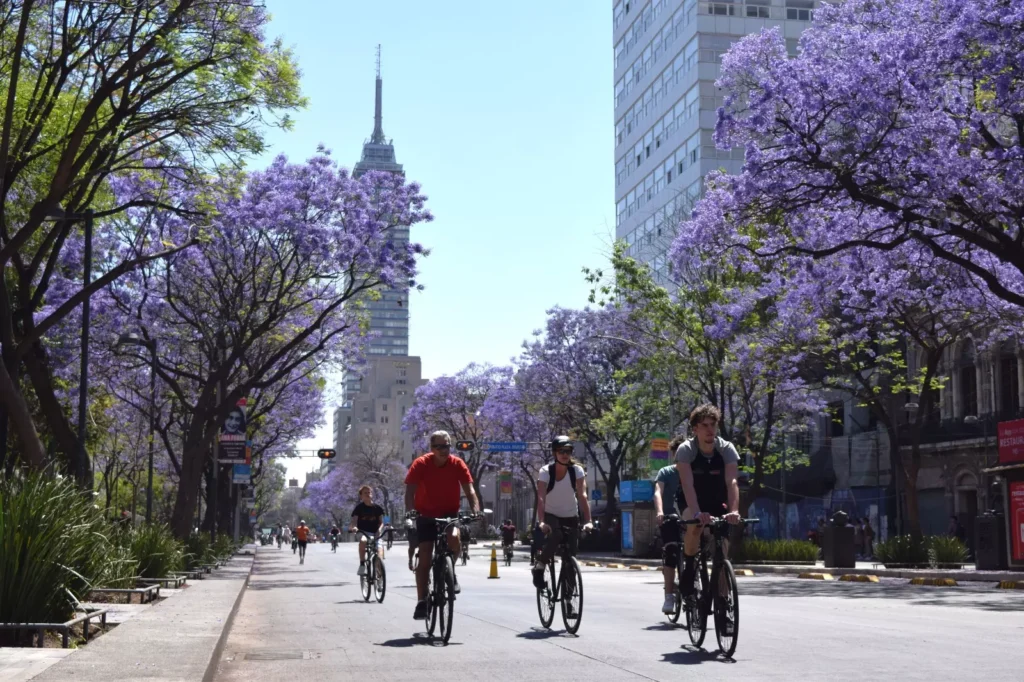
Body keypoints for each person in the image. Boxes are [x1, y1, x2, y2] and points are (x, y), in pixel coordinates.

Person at [675, 404, 741, 622]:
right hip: (690, 499)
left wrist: (733, 510)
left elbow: (732, 482)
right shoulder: (686, 450)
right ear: (695, 429)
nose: (710, 430)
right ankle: (689, 564)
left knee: (721, 547)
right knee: (694, 526)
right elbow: (687, 484)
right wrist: (697, 512)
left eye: (713, 425)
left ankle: (723, 602)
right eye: (704, 425)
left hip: (716, 499)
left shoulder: (727, 449)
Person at [404, 430, 480, 621]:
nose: (443, 450)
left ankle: (449, 571)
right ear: (431, 448)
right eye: (438, 447)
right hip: (425, 515)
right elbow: (409, 492)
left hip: (449, 514)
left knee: (454, 538)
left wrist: (475, 509)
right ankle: (422, 601)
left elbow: (469, 490)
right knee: (426, 557)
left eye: (446, 446)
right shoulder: (420, 464)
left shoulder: (457, 464)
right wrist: (410, 512)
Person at [532, 437, 594, 595]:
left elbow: (582, 496)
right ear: (554, 453)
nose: (565, 454)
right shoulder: (546, 471)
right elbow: (541, 498)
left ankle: (568, 600)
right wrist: (542, 522)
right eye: (561, 451)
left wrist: (588, 521)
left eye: (568, 451)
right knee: (556, 535)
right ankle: (540, 566)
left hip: (571, 515)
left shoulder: (577, 471)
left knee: (570, 559)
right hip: (551, 513)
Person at [654, 434, 687, 614]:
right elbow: (658, 492)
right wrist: (660, 512)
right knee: (671, 552)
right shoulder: (666, 472)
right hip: (670, 517)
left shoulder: (695, 472)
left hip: (692, 518)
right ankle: (669, 595)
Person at [350, 485, 385, 575]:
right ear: (361, 496)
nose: (368, 494)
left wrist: (379, 530)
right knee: (363, 540)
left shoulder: (378, 508)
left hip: (376, 533)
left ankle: (379, 568)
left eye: (369, 492)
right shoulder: (359, 508)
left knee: (379, 549)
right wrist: (354, 527)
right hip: (363, 532)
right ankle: (362, 564)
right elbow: (354, 521)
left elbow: (381, 523)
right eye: (365, 493)